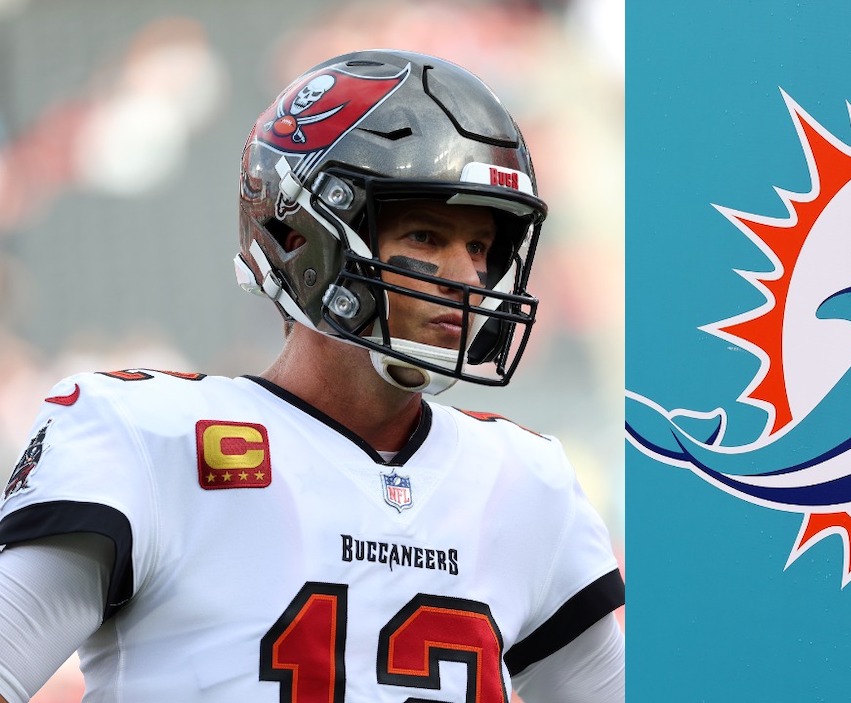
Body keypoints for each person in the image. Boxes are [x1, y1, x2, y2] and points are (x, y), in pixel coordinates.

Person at [0, 49, 624, 702]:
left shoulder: (525, 481)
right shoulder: (147, 439)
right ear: (301, 238)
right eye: (426, 236)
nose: (470, 277)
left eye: (479, 247)